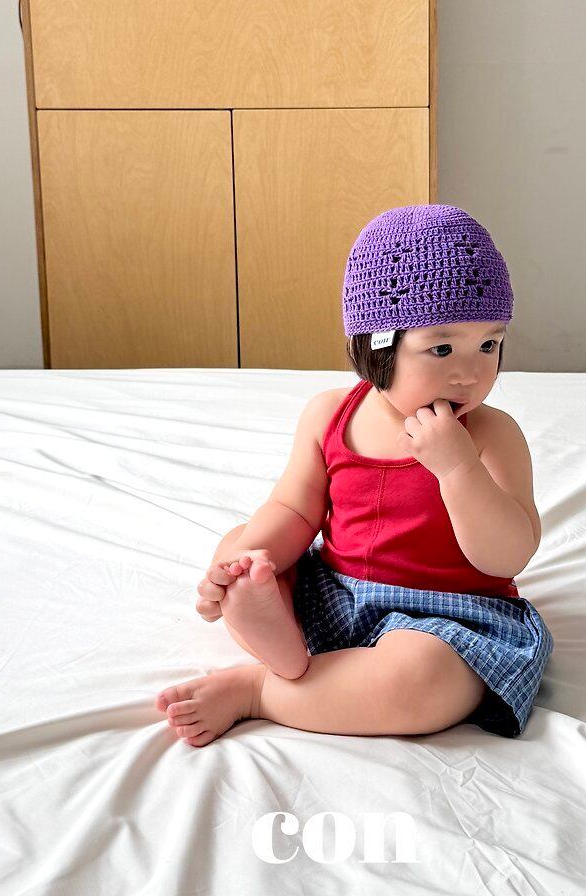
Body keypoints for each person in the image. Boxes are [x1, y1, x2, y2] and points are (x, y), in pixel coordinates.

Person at [154, 204, 554, 747]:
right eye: (441, 348)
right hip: (333, 591)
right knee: (242, 542)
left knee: (423, 681)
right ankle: (276, 631)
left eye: (489, 344)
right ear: (375, 347)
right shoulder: (330, 415)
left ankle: (262, 690)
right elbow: (294, 510)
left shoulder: (491, 436)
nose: (470, 373)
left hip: (448, 617)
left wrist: (458, 468)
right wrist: (249, 562)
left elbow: (507, 557)